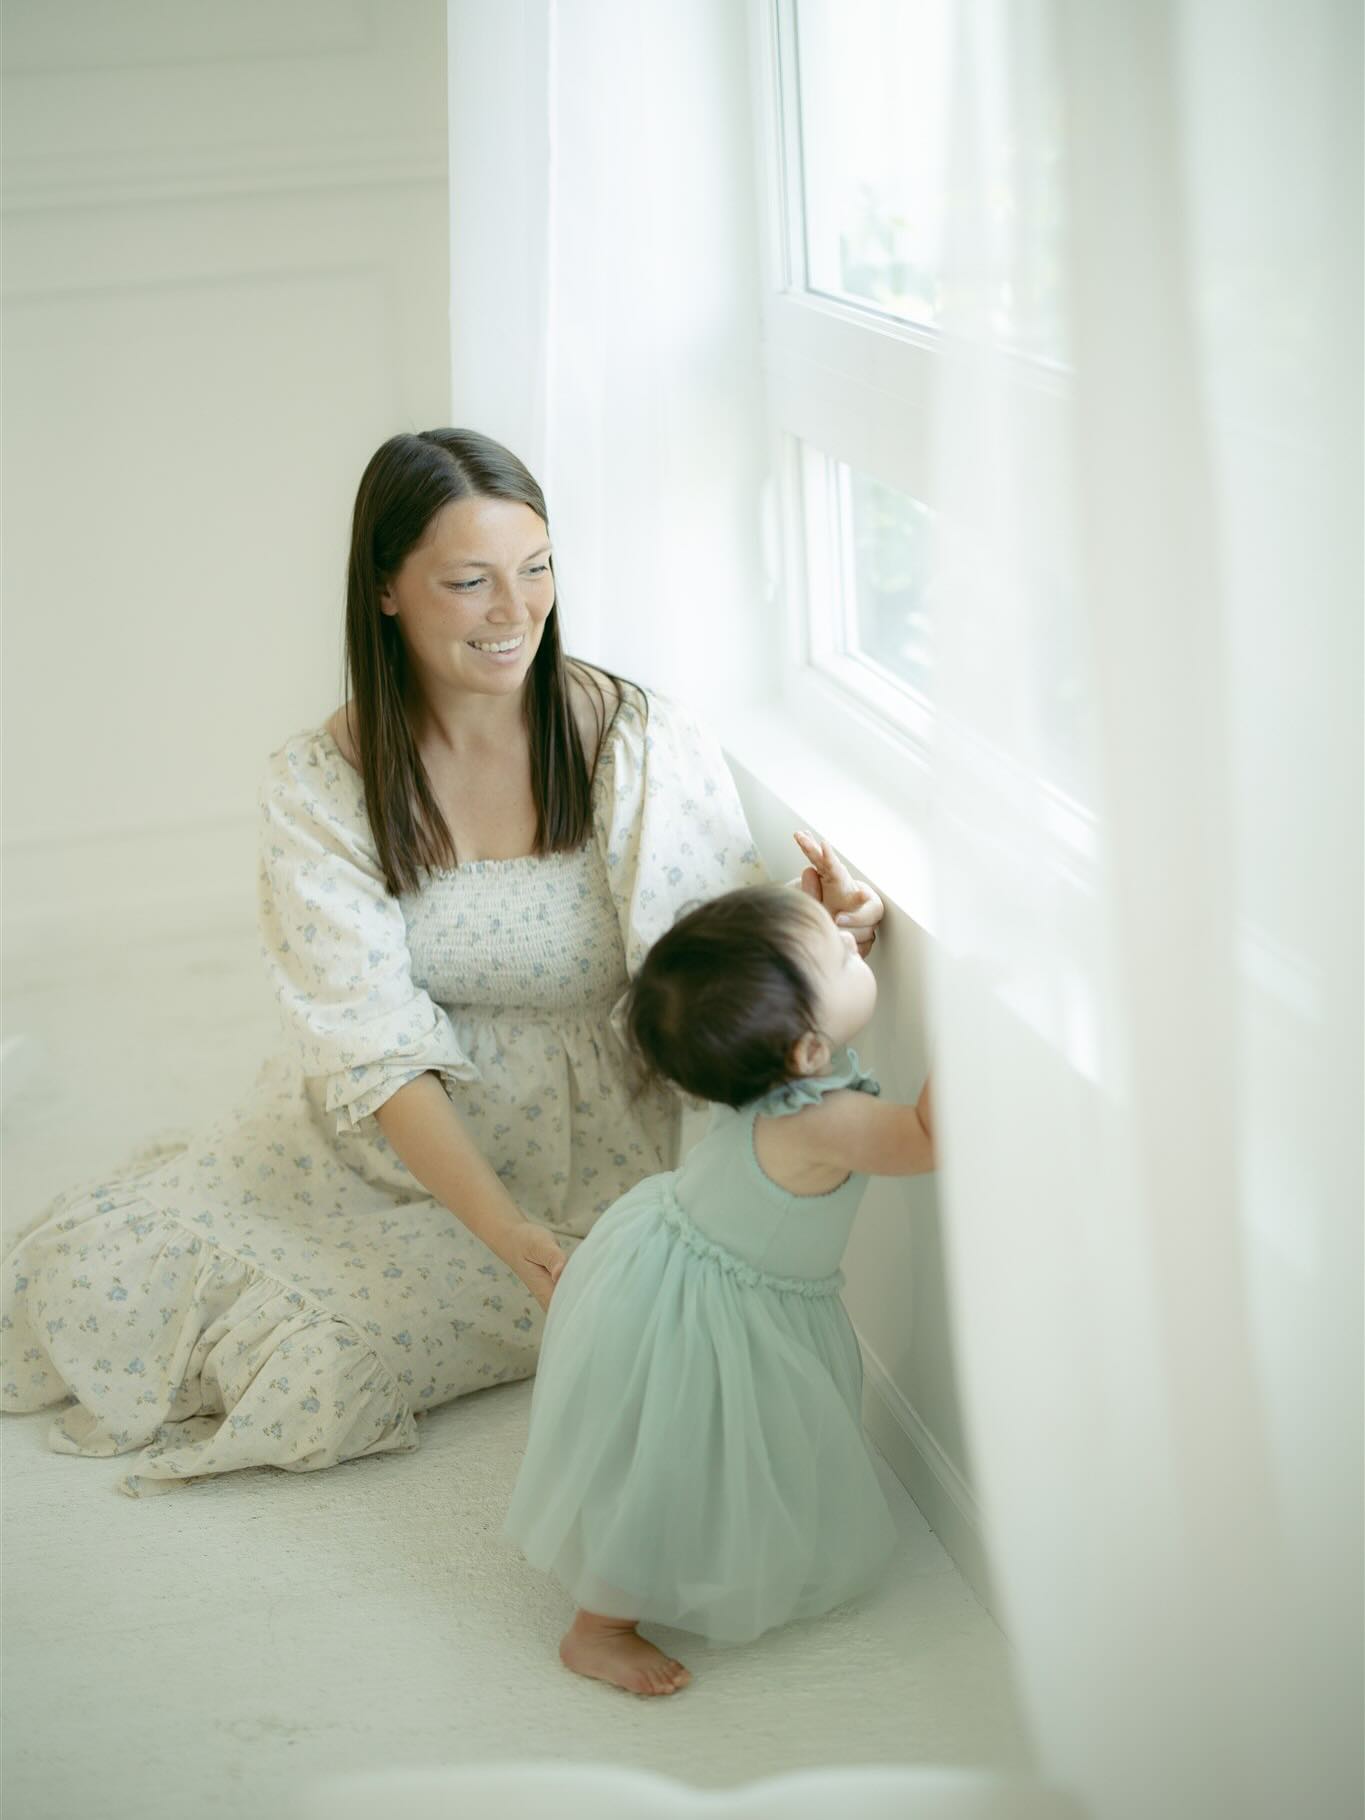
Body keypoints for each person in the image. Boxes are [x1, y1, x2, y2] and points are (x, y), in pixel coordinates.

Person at [1, 428, 885, 1496]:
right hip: (396, 1142)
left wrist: (816, 929)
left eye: (537, 567)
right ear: (386, 590)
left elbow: (699, 958)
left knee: (333, 1372)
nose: (515, 612)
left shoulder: (629, 737)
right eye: (470, 582)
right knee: (104, 1286)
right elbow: (371, 1041)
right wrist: (499, 1227)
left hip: (594, 1153)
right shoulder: (322, 782)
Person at [502, 881, 936, 1696]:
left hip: (668, 1260)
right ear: (805, 1048)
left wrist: (843, 925)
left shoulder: (766, 1053)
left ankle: (618, 1603)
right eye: (839, 952)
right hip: (713, 1312)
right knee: (670, 1465)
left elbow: (829, 994)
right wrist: (980, 1020)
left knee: (676, 1452)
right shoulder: (817, 1118)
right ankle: (599, 1628)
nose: (853, 949)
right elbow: (923, 1138)